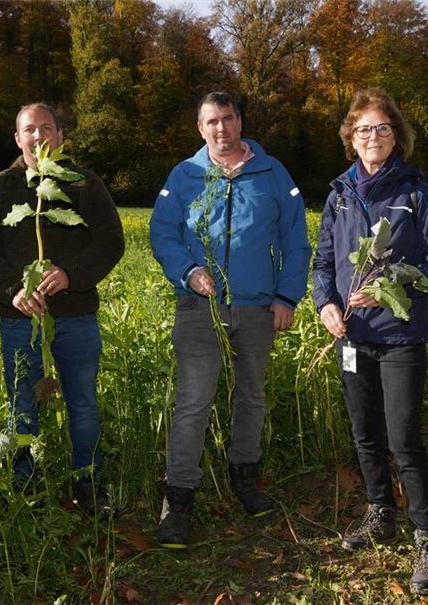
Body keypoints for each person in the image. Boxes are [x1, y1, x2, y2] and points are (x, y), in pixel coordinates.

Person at [149, 91, 311, 548]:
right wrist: (188, 270)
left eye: (227, 119)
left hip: (258, 308)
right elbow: (161, 232)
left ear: (240, 122)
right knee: (193, 403)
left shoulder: (272, 172)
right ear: (200, 129)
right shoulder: (185, 175)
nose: (220, 129)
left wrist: (286, 296)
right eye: (211, 122)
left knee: (251, 396)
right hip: (199, 308)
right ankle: (178, 501)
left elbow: (296, 238)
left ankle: (245, 478)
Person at [311, 88, 428, 594]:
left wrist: (390, 284)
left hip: (400, 334)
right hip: (352, 336)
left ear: (398, 136)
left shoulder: (418, 194)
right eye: (363, 129)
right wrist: (325, 303)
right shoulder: (339, 195)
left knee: (403, 439)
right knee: (365, 433)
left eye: (383, 128)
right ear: (351, 138)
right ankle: (380, 513)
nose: (373, 136)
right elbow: (324, 263)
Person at [0, 102, 124, 515]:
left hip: (76, 317)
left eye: (46, 128)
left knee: (83, 403)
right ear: (18, 139)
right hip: (20, 319)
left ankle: (88, 483)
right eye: (29, 130)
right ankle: (27, 489)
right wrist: (12, 290)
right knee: (22, 405)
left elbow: (110, 241)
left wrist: (71, 274)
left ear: (60, 136)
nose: (38, 136)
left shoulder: (84, 184)